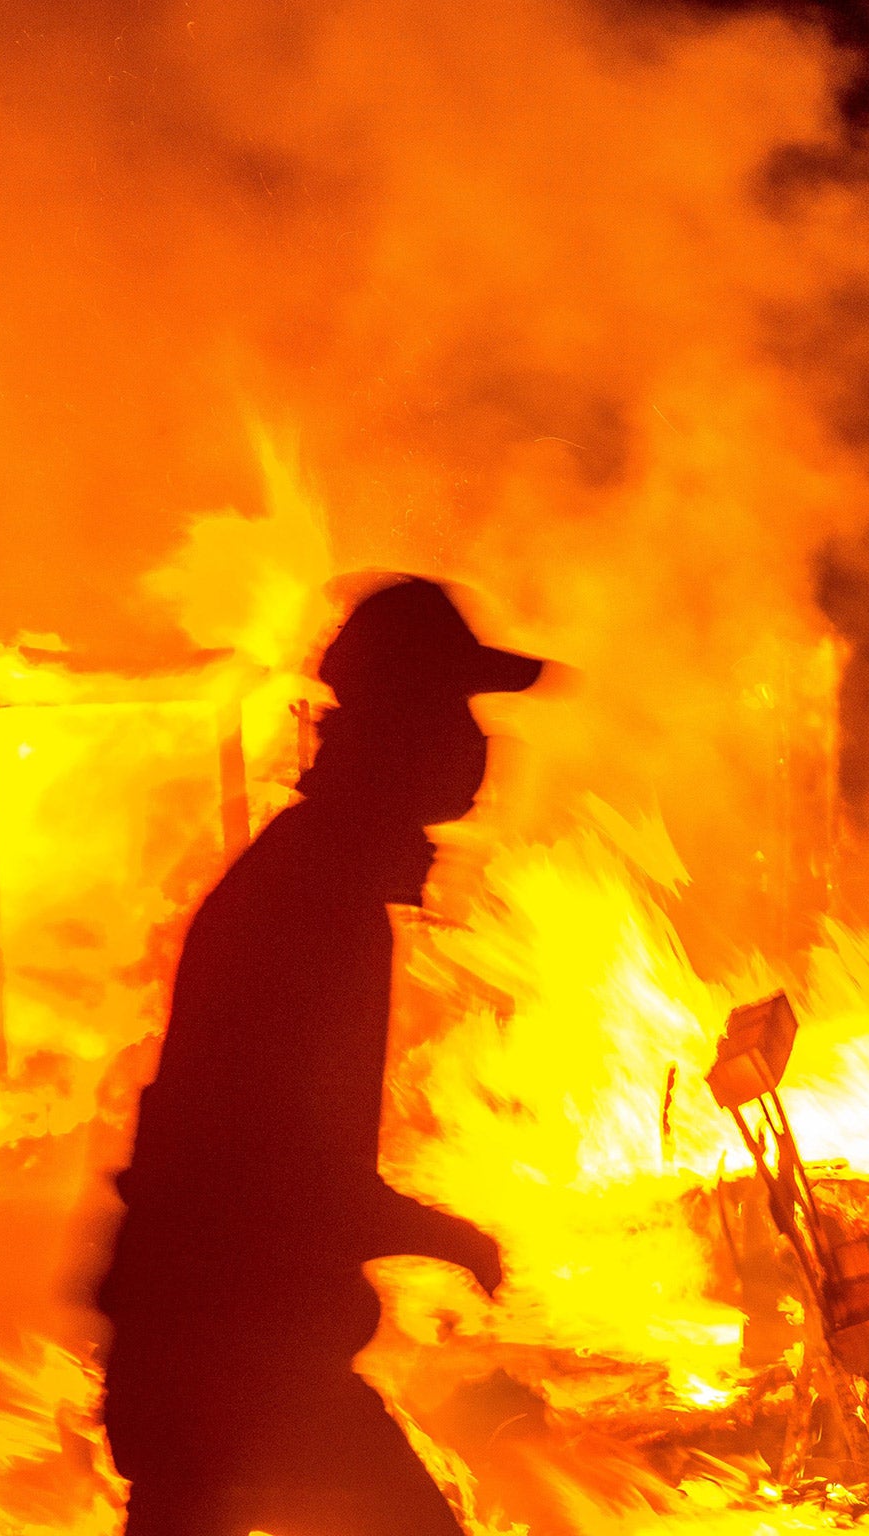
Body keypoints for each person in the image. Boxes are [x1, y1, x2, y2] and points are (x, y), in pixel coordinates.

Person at [97, 577, 542, 1536]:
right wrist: (439, 1234)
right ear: (397, 733)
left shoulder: (318, 876)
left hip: (219, 1361)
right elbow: (278, 1172)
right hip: (237, 1367)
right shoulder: (317, 904)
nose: (475, 745)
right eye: (453, 711)